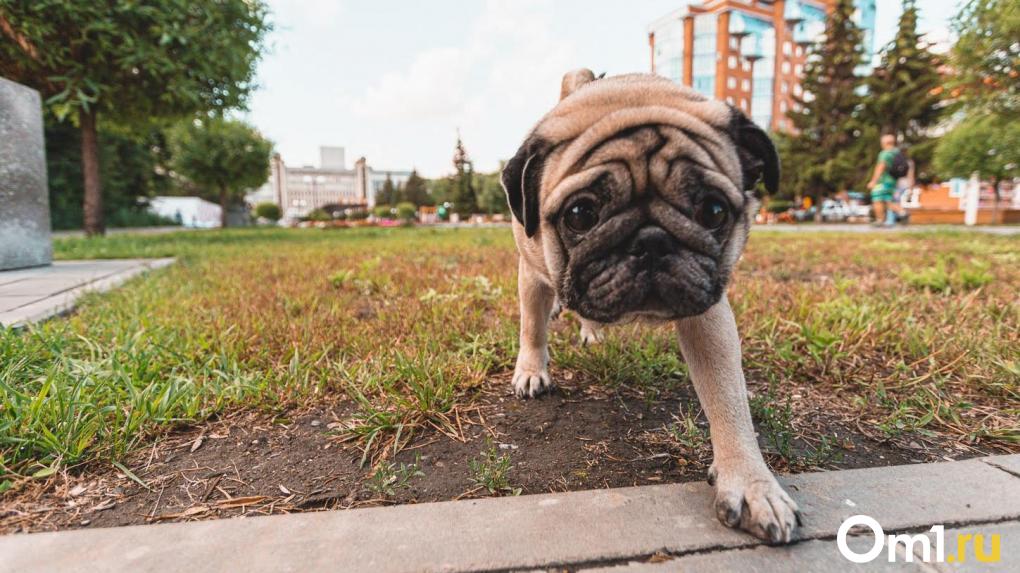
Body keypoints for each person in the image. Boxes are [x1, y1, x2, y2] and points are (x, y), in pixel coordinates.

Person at [867, 134, 900, 226]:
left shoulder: (885, 153)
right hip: (892, 181)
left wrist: (874, 181)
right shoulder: (896, 152)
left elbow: (881, 167)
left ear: (884, 143)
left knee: (877, 199)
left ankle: (880, 220)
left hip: (883, 181)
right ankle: (902, 213)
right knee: (888, 200)